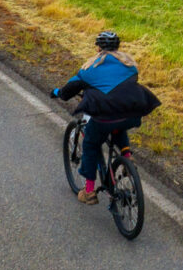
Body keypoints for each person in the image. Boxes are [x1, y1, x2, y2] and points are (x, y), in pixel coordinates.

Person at [52, 31, 160, 203]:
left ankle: (88, 191)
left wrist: (57, 92)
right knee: (119, 124)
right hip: (131, 114)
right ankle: (127, 158)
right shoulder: (129, 65)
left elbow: (69, 89)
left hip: (104, 119)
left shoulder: (89, 68)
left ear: (98, 47)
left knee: (91, 144)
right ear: (118, 47)